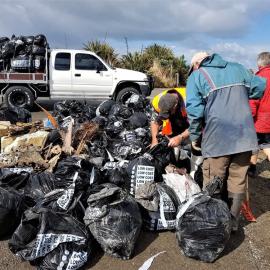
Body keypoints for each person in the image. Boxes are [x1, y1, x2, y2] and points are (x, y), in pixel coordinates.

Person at [186, 52, 266, 231]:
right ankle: (233, 223)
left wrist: (195, 137)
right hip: (245, 136)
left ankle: (214, 223)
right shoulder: (239, 68)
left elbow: (194, 112)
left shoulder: (198, 76)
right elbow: (260, 87)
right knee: (238, 179)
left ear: (197, 64)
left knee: (214, 179)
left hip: (218, 138)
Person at [249, 52, 270, 175]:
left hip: (260, 120)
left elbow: (253, 102)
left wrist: (249, 118)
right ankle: (252, 167)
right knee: (263, 143)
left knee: (256, 143)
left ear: (260, 64)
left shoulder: (259, 78)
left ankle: (252, 168)